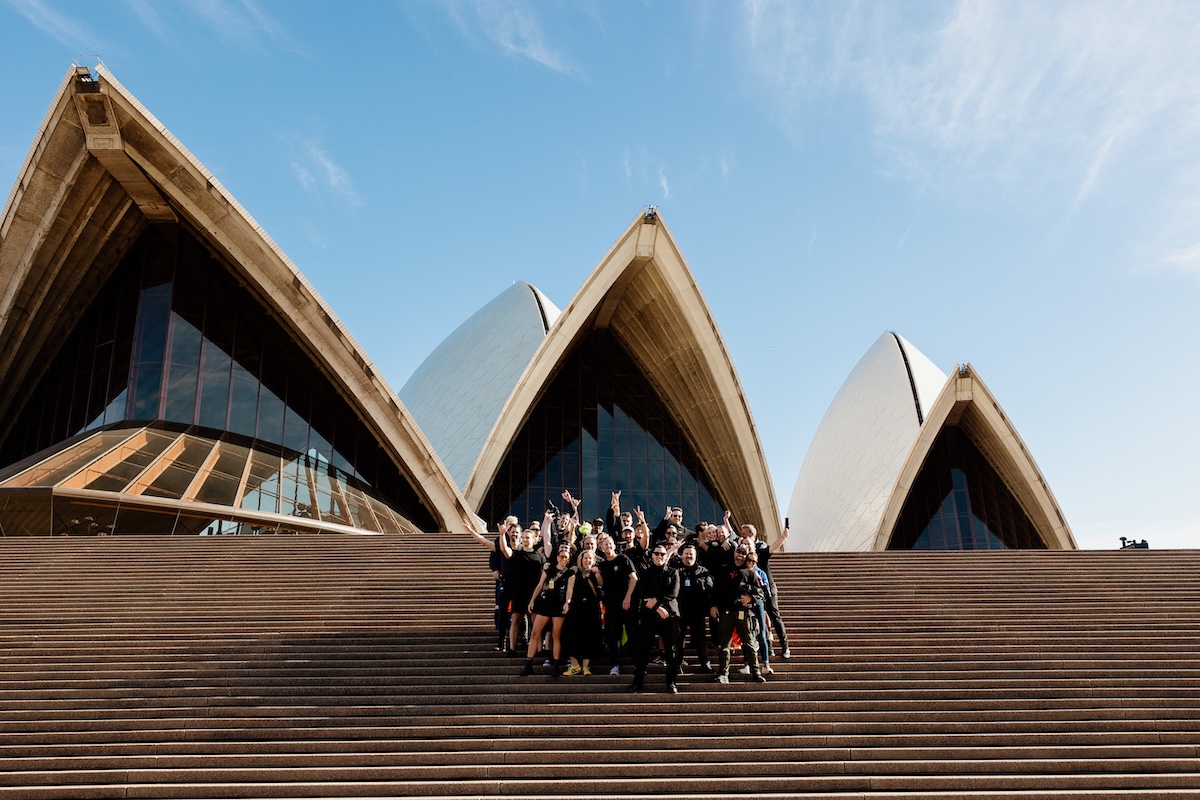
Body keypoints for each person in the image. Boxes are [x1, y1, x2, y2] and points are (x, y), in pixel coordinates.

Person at [627, 544, 682, 693]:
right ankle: (637, 683)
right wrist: (657, 607)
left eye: (663, 554)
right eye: (657, 553)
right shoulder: (644, 573)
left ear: (667, 556)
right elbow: (642, 593)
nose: (660, 556)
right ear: (652, 556)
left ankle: (671, 683)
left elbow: (673, 593)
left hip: (668, 615)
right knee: (642, 650)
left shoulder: (673, 572)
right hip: (649, 616)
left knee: (671, 652)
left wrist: (656, 603)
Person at [710, 545, 765, 684]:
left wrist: (750, 599)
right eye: (738, 551)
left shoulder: (750, 573)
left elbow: (760, 593)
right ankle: (723, 673)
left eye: (743, 553)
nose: (740, 555)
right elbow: (716, 590)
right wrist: (713, 605)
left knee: (749, 643)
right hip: (726, 611)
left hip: (743, 613)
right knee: (724, 645)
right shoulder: (724, 569)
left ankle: (756, 672)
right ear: (734, 553)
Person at [738, 521, 792, 659]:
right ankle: (768, 648)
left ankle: (785, 646)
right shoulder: (743, 560)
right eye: (745, 544)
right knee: (760, 620)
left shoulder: (761, 553)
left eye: (750, 544)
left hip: (768, 589)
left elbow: (773, 547)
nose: (748, 547)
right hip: (754, 593)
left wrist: (783, 537)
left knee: (774, 616)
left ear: (754, 544)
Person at [521, 543, 576, 677]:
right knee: (535, 633)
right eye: (561, 557)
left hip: (559, 606)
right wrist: (532, 600)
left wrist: (567, 603)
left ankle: (556, 665)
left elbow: (570, 590)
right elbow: (540, 585)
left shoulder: (570, 573)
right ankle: (528, 664)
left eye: (566, 558)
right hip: (545, 605)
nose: (563, 559)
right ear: (557, 557)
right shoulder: (549, 568)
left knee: (556, 635)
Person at [497, 525, 546, 656]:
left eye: (527, 537)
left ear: (534, 539)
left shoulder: (540, 557)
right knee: (515, 619)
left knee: (536, 622)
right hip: (518, 592)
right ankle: (512, 649)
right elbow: (505, 551)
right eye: (523, 537)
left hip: (534, 593)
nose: (524, 539)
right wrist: (502, 535)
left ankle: (540, 649)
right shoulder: (517, 554)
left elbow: (543, 576)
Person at [596, 532, 637, 674]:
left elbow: (634, 578)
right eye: (605, 544)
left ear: (614, 545)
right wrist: (597, 573)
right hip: (611, 605)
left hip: (626, 602)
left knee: (633, 632)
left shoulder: (623, 559)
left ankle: (639, 664)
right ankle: (614, 665)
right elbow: (601, 583)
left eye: (610, 543)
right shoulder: (602, 565)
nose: (608, 546)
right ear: (601, 547)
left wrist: (628, 597)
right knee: (612, 635)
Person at [562, 549, 604, 676]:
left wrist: (597, 574)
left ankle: (586, 667)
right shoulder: (575, 573)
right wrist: (567, 603)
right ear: (581, 560)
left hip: (591, 609)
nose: (587, 560)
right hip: (576, 608)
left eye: (590, 558)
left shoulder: (596, 574)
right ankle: (574, 665)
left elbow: (601, 586)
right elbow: (569, 590)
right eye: (585, 558)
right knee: (570, 635)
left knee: (590, 637)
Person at [676, 543, 714, 673]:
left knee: (700, 638)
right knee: (678, 638)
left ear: (695, 556)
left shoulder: (703, 571)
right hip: (679, 610)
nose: (688, 556)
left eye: (691, 554)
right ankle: (677, 663)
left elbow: (710, 589)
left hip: (697, 611)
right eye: (686, 554)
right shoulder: (676, 570)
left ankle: (705, 663)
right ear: (682, 556)